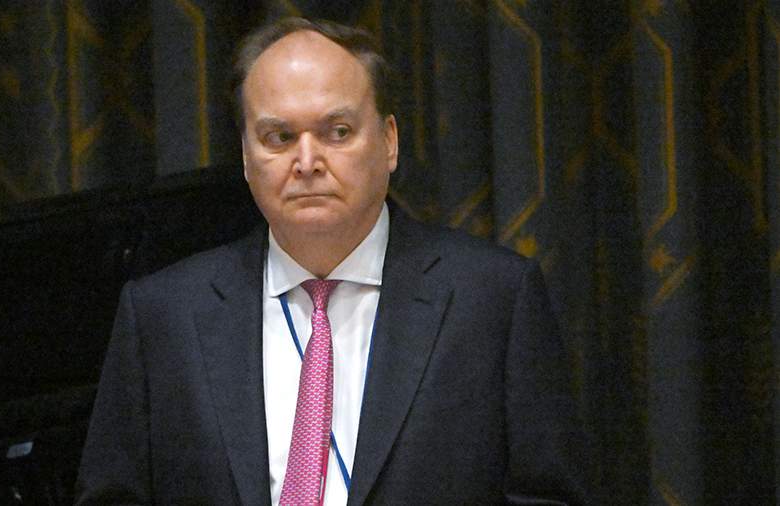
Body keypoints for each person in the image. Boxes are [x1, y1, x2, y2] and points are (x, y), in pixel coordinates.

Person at [76, 17, 589, 505]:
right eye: (279, 137)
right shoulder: (163, 316)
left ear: (388, 141)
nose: (307, 162)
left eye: (337, 132)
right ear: (246, 156)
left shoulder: (493, 299)